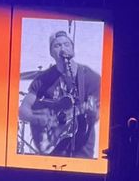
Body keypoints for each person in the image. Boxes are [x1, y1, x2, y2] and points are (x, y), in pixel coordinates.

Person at [18, 29, 101, 158]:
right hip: (54, 150)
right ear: (51, 53)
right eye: (57, 45)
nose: (63, 48)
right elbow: (22, 110)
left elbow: (97, 115)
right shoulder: (43, 79)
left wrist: (92, 112)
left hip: (82, 149)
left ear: (73, 49)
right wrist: (38, 119)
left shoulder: (90, 77)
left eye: (66, 44)